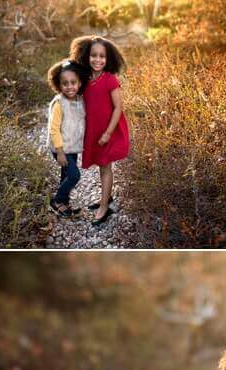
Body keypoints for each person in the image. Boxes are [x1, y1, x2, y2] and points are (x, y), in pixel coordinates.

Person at [68, 35, 130, 226]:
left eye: (102, 56)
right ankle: (106, 198)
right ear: (86, 56)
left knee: (105, 166)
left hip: (108, 130)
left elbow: (118, 108)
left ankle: (104, 207)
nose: (97, 60)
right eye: (93, 55)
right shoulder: (84, 79)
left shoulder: (110, 80)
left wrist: (108, 133)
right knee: (100, 164)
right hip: (93, 130)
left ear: (108, 58)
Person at [46, 59, 88, 217]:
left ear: (79, 83)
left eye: (73, 82)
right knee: (74, 175)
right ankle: (57, 201)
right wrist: (60, 152)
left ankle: (64, 203)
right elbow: (54, 129)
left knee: (65, 174)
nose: (69, 86)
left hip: (73, 146)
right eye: (65, 83)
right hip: (60, 148)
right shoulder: (59, 103)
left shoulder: (79, 99)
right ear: (59, 85)